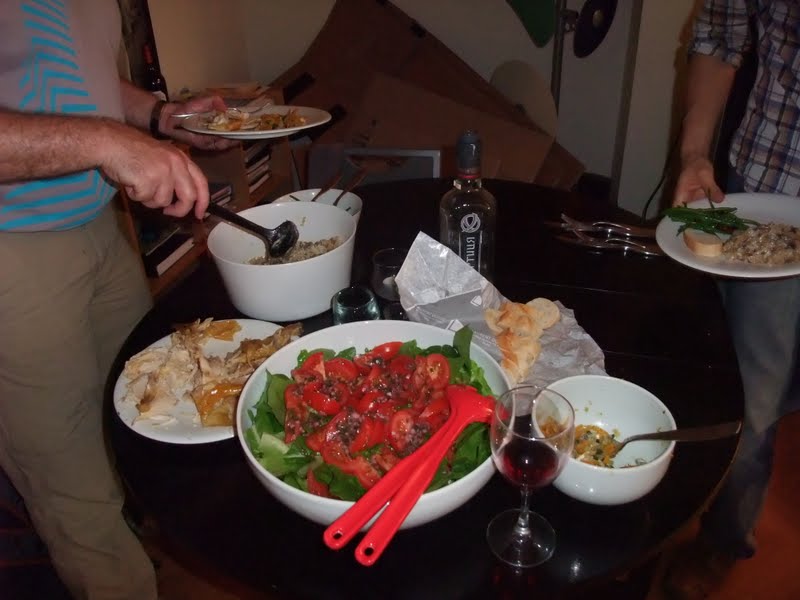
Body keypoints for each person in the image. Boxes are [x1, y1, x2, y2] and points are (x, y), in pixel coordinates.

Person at [0, 2, 235, 598]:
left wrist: (158, 116)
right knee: (73, 481)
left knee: (145, 418)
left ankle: (145, 559)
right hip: (11, 249)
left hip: (100, 227)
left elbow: (82, 79)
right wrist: (107, 141)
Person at [666, 1, 800, 598]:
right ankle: (722, 540)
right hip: (766, 187)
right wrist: (696, 154)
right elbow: (720, 35)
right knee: (748, 397)